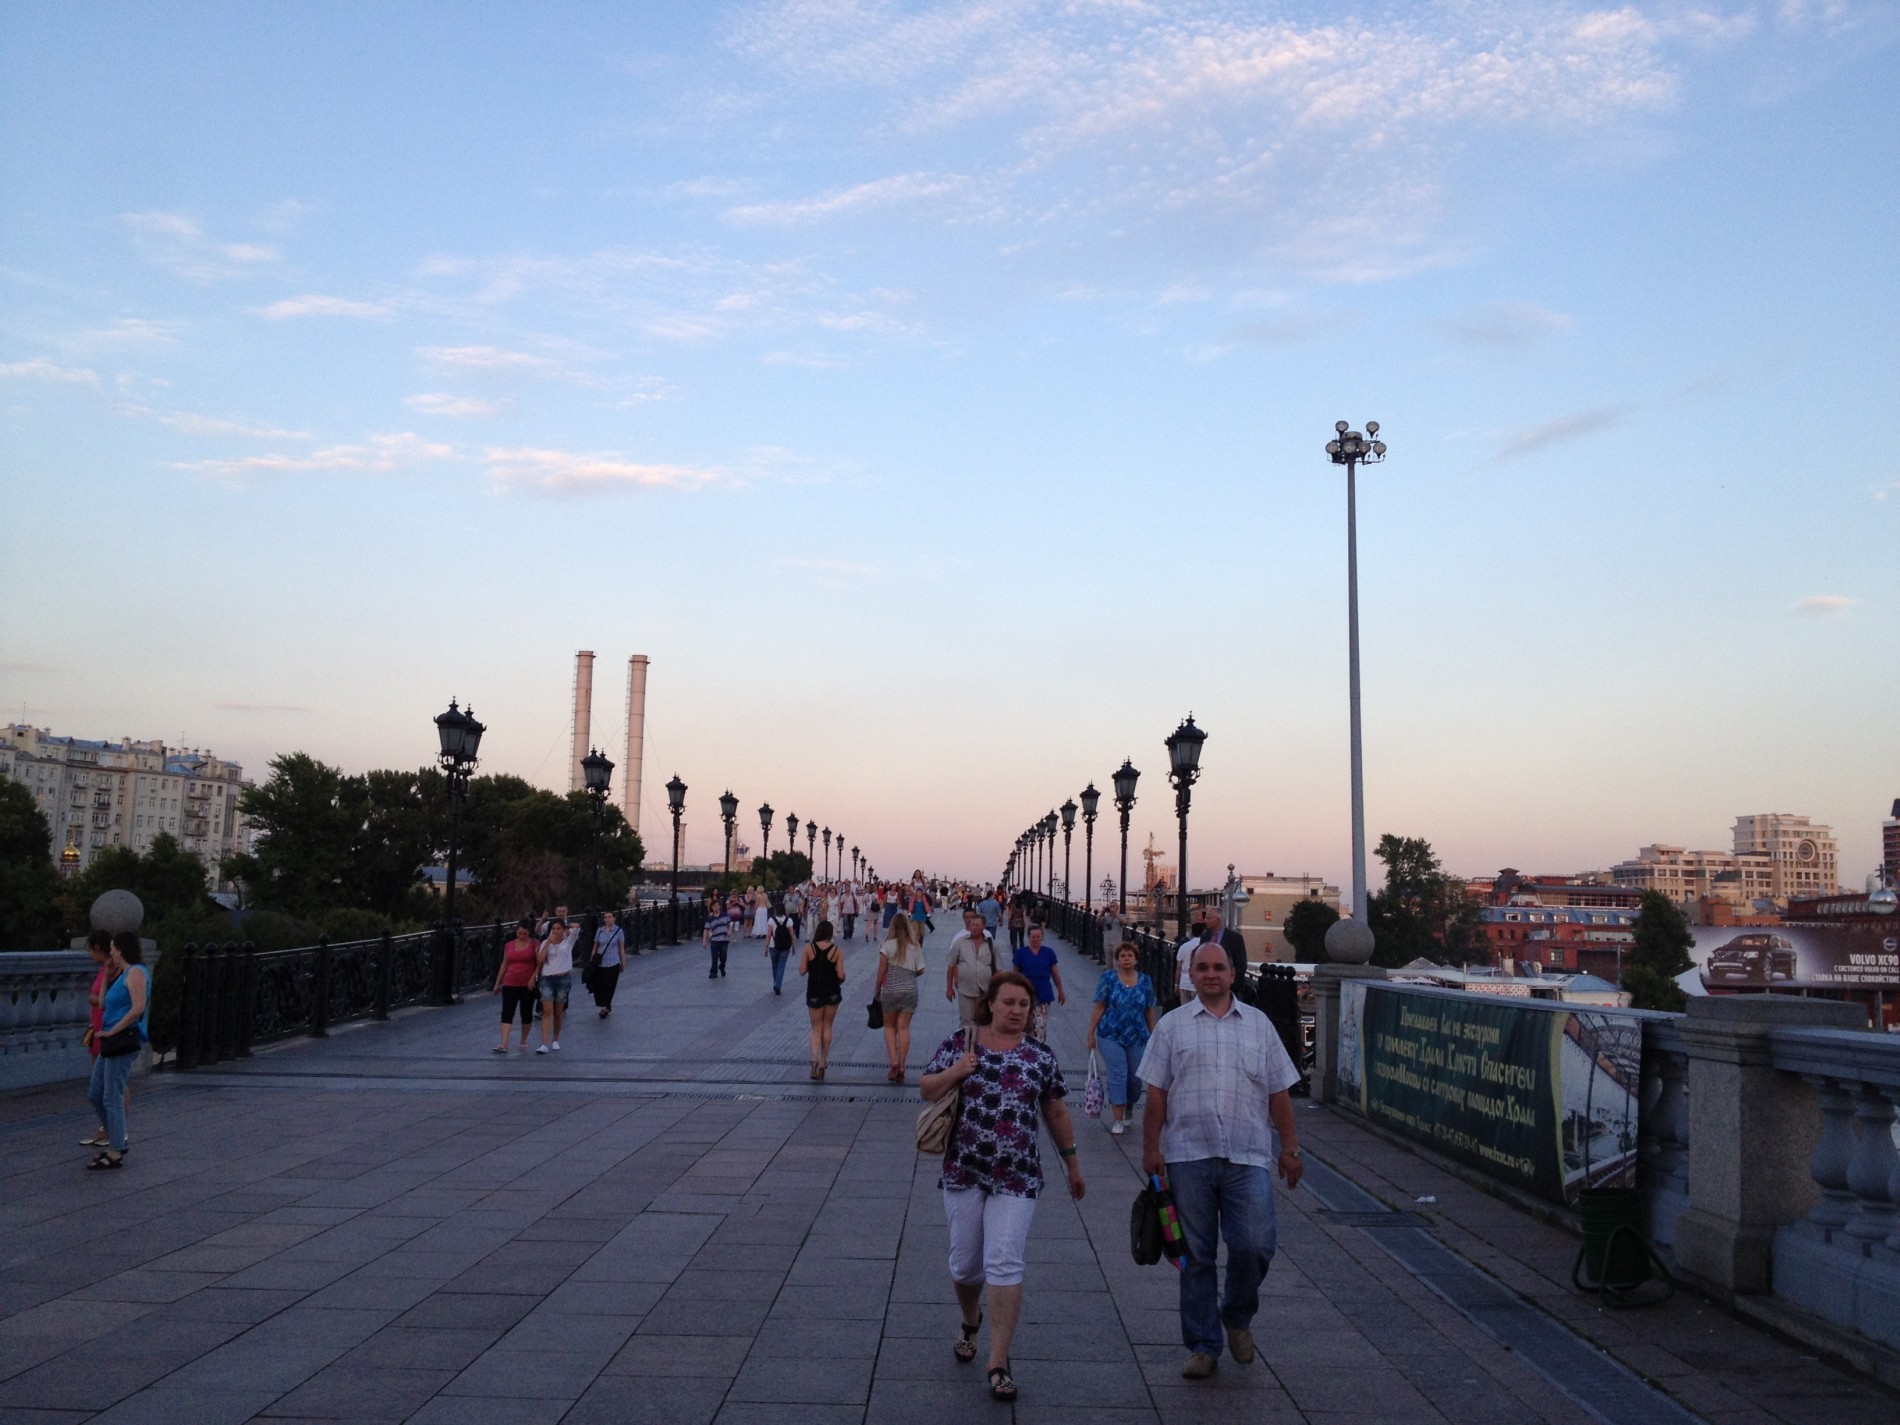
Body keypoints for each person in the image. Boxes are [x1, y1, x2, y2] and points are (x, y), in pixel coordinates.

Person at [1139, 940, 1304, 1380]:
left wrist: (1289, 1148)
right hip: (1187, 1153)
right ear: (1189, 975)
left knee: (1254, 1245)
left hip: (1247, 1154)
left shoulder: (1259, 1025)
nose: (1210, 974)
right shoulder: (1172, 1027)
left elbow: (1278, 1090)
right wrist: (1151, 1148)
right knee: (1196, 1255)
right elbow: (1155, 1091)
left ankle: (1236, 1313)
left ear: (1233, 974)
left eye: (1219, 968)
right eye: (1202, 968)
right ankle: (1203, 1345)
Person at [920, 971, 1084, 1403]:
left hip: (1017, 1174)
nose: (1015, 1011)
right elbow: (926, 1087)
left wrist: (1072, 1164)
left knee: (1005, 1262)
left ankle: (998, 1359)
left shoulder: (1040, 1056)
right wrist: (958, 1070)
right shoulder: (962, 1042)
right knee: (964, 1266)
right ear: (990, 1003)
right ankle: (970, 1317)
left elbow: (1056, 1110)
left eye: (1023, 1006)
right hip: (965, 1170)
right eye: (1008, 1003)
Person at [86, 932, 148, 1170]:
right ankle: (116, 1138)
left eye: (112, 948)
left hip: (122, 1040)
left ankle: (115, 1151)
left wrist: (113, 1031)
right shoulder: (121, 973)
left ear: (121, 949)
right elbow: (102, 1003)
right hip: (110, 1040)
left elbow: (137, 1009)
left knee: (112, 1095)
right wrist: (107, 976)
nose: (110, 952)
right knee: (95, 1093)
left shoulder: (136, 972)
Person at [1087, 941, 1158, 1135]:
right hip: (1110, 1034)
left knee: (1135, 1078)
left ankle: (1128, 1106)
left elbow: (1149, 1010)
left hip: (1136, 1035)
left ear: (1136, 959)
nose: (1126, 959)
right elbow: (1099, 1006)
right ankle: (1117, 1119)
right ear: (1117, 960)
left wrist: (1154, 1035)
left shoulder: (1145, 981)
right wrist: (1090, 1033)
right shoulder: (1108, 979)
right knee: (1118, 1074)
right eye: (1122, 956)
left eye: (1129, 956)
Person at [79, 931, 120, 1149]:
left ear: (99, 948)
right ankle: (106, 1127)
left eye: (91, 949)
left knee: (112, 1081)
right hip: (97, 1029)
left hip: (108, 1029)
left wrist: (95, 999)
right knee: (100, 1081)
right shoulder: (104, 971)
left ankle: (114, 1128)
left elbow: (109, 999)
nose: (89, 954)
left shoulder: (114, 971)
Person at [875, 911, 925, 1082]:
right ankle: (903, 1065)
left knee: (889, 1027)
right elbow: (921, 969)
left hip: (890, 989)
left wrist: (876, 991)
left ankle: (894, 1062)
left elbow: (882, 970)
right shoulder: (915, 945)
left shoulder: (887, 945)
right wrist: (908, 976)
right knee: (903, 1028)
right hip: (910, 990)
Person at [799, 918, 845, 1079]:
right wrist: (841, 977)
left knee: (815, 1027)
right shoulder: (837, 951)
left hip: (814, 991)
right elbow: (840, 975)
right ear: (830, 933)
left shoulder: (808, 949)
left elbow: (802, 971)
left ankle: (814, 1059)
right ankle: (823, 1061)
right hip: (832, 991)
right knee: (827, 1026)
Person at [945, 906, 1000, 1028]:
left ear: (983, 926)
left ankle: (979, 1044)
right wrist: (950, 986)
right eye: (971, 923)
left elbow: (998, 967)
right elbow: (952, 965)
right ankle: (967, 1045)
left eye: (976, 925)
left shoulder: (990, 941)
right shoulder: (959, 940)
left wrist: (998, 989)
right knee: (966, 1021)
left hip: (985, 989)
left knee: (983, 1020)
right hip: (965, 988)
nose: (973, 926)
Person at [1011, 925, 1065, 1042]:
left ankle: (1039, 1049)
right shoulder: (1021, 953)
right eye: (1033, 937)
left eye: (1038, 937)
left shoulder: (1049, 953)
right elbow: (1014, 975)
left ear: (1042, 937)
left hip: (1043, 992)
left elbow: (1055, 974)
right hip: (1025, 993)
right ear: (1028, 937)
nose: (1035, 939)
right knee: (1025, 1024)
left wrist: (1060, 991)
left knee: (1040, 1024)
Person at [492, 920, 540, 1051]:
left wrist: (533, 979)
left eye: (524, 934)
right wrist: (498, 983)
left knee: (526, 1012)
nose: (522, 936)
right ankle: (504, 1042)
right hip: (510, 982)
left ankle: (523, 1040)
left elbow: (539, 964)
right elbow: (504, 964)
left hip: (527, 984)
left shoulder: (535, 944)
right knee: (507, 1012)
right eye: (519, 933)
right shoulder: (509, 945)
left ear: (529, 933)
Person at [534, 918, 574, 1053]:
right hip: (547, 979)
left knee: (558, 1011)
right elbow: (540, 959)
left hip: (563, 978)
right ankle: (544, 1043)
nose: (556, 931)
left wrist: (565, 925)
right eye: (553, 929)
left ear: (563, 930)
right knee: (547, 1010)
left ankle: (555, 1039)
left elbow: (577, 926)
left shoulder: (569, 941)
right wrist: (549, 942)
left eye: (558, 928)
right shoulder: (546, 942)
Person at [1197, 907, 1251, 1003]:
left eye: (1208, 918)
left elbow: (1241, 964)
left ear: (1218, 919)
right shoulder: (1205, 937)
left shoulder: (1235, 938)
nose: (1205, 921)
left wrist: (1232, 985)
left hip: (1228, 989)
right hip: (1207, 987)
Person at [589, 910, 626, 1018]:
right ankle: (605, 1005)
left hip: (613, 962)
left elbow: (621, 948)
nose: (607, 919)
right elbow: (595, 946)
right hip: (601, 962)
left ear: (614, 918)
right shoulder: (599, 931)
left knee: (610, 985)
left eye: (609, 917)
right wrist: (592, 960)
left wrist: (623, 961)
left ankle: (605, 1007)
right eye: (605, 917)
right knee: (601, 985)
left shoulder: (618, 931)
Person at [765, 902, 798, 994]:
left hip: (773, 945)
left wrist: (766, 947)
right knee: (781, 965)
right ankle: (778, 984)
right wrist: (794, 947)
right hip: (785, 946)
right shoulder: (789, 920)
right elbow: (791, 935)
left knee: (774, 964)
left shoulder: (771, 920)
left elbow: (768, 934)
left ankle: (776, 982)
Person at [1175, 919, 1206, 1002]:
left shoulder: (1183, 947)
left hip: (1184, 982)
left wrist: (1176, 984)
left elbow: (1179, 967)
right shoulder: (1204, 947)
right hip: (1198, 983)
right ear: (1203, 932)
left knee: (1185, 1010)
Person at [703, 899, 733, 978]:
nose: (716, 908)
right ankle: (713, 972)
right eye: (714, 906)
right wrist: (704, 941)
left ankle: (722, 966)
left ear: (719, 906)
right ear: (712, 908)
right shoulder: (710, 919)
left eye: (717, 906)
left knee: (723, 957)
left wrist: (729, 931)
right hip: (715, 940)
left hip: (724, 939)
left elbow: (730, 923)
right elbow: (706, 930)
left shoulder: (724, 915)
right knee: (714, 957)